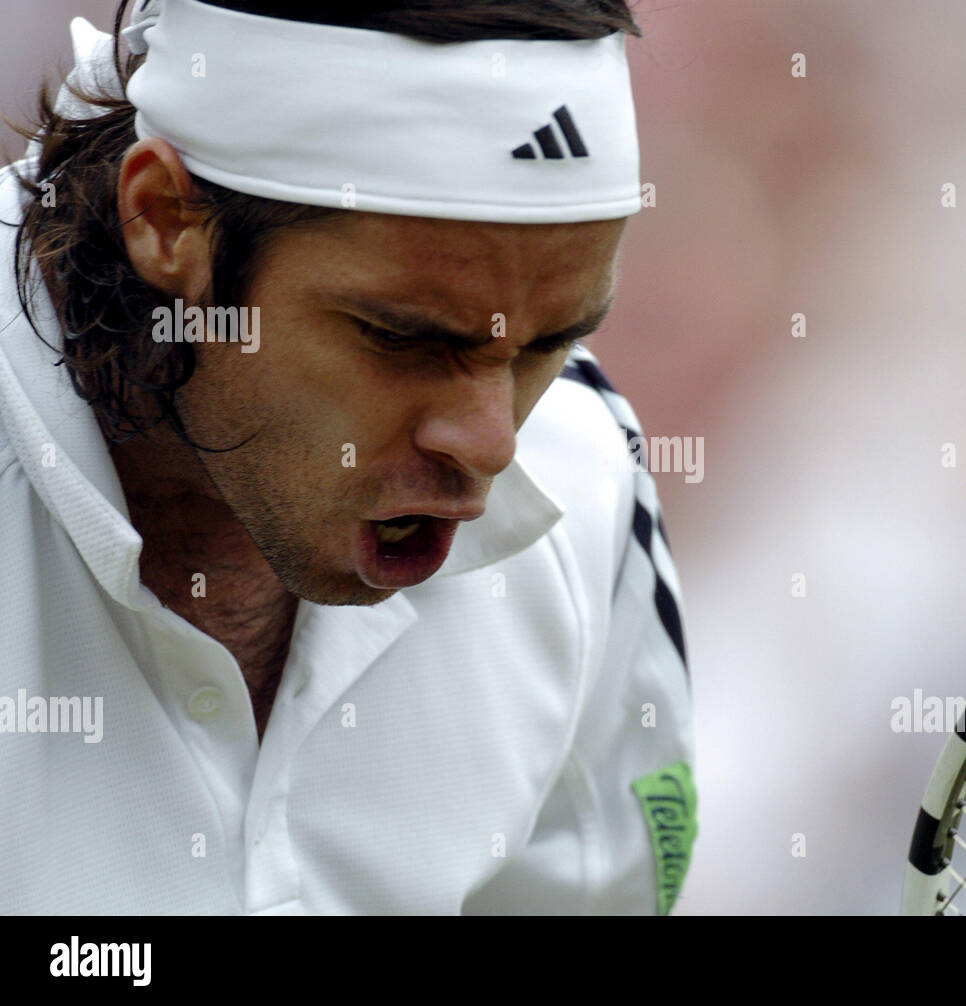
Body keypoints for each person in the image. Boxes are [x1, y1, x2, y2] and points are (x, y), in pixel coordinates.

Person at [0, 0, 696, 915]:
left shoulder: (584, 467)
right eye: (402, 339)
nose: (492, 446)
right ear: (165, 219)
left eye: (546, 345)